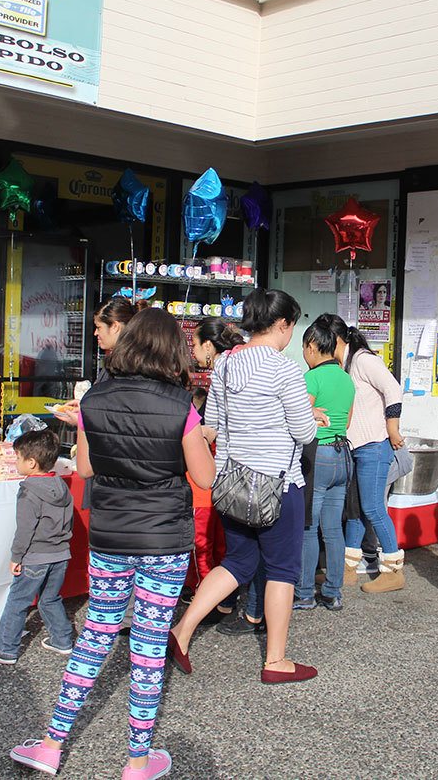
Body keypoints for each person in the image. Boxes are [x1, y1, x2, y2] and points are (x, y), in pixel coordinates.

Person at [10, 308, 216, 779]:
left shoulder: (95, 399)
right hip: (164, 539)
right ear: (172, 351)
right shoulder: (181, 405)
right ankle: (137, 761)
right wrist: (197, 438)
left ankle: (51, 745)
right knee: (149, 646)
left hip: (109, 536)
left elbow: (84, 468)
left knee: (96, 632)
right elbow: (204, 477)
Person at [170, 289, 321, 685]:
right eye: (292, 325)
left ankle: (182, 631)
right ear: (283, 324)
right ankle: (276, 660)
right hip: (277, 486)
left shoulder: (224, 365)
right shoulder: (285, 369)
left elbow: (215, 425)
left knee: (237, 562)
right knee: (282, 570)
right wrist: (311, 416)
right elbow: (304, 433)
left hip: (232, 482)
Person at [0, 430, 74, 664]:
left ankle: (7, 648)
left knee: (18, 601)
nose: (15, 462)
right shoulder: (60, 485)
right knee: (50, 598)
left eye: (17, 457)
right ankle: (62, 639)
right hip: (60, 554)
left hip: (35, 556)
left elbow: (25, 529)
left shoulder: (29, 490)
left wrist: (16, 556)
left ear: (31, 463)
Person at [330, 316, 408, 592]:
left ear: (335, 339)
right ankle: (348, 568)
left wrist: (392, 427)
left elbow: (393, 389)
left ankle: (393, 571)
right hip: (356, 447)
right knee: (355, 509)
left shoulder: (363, 360)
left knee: (373, 508)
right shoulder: (345, 364)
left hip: (374, 445)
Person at [295, 316, 356, 611]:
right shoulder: (346, 379)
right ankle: (332, 592)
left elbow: (300, 418)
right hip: (343, 455)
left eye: (303, 349)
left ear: (311, 346)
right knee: (333, 528)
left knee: (308, 525)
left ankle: (305, 592)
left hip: (317, 455)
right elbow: (348, 421)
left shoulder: (312, 378)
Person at [187, 318, 245, 602]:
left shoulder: (225, 369)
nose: (193, 352)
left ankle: (213, 598)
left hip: (225, 472)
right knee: (223, 542)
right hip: (233, 472)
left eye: (195, 345)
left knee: (210, 543)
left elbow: (220, 426)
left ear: (208, 346)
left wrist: (203, 433)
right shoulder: (234, 365)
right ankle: (226, 598)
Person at [52, 296, 145, 427]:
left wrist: (83, 421)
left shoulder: (128, 366)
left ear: (115, 327)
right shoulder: (121, 361)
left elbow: (120, 418)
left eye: (99, 327)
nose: (95, 333)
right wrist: (86, 406)